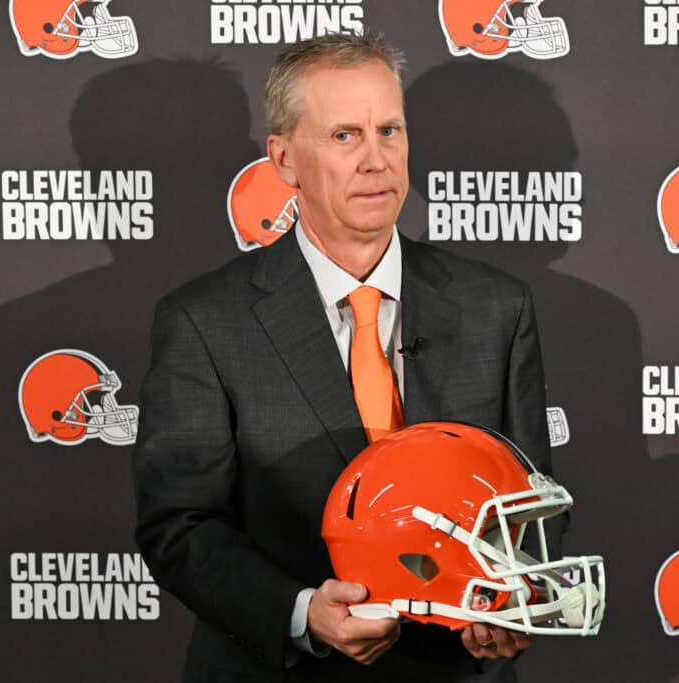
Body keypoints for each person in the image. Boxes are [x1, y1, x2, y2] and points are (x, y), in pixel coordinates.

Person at [133, 32, 553, 683]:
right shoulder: (202, 322)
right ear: (283, 159)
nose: (376, 159)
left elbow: (530, 500)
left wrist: (511, 605)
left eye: (390, 130)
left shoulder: (497, 307)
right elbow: (181, 526)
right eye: (344, 136)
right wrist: (302, 612)